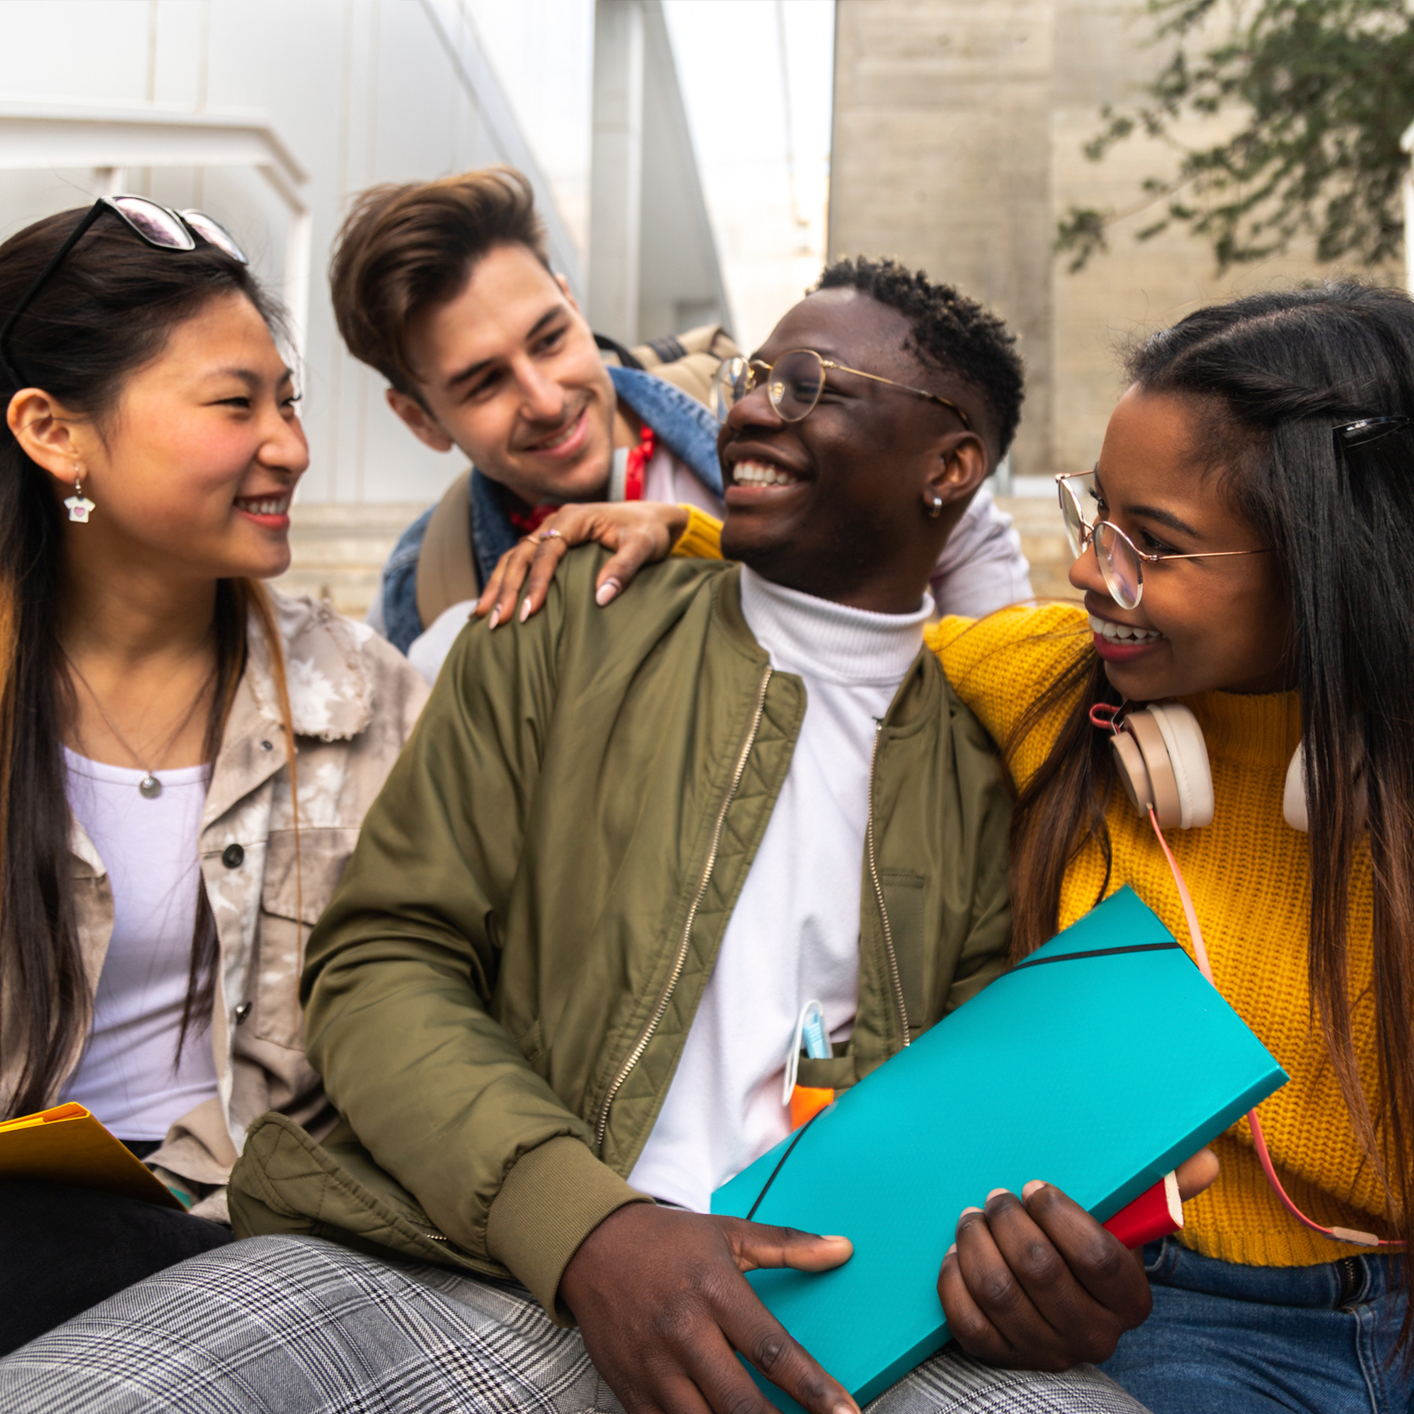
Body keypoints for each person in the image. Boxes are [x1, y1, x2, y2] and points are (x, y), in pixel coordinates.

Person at [0, 260, 1165, 1413]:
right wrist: (591, 1225)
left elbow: (970, 1131)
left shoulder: (983, 762)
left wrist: (1032, 1284)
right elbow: (377, 962)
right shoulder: (556, 615)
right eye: (753, 376)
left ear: (949, 464)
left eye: (812, 386)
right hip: (474, 1266)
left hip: (824, 1322)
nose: (750, 408)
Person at [514, 282, 1414, 1414]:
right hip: (1177, 1312)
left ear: (1329, 562)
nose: (1091, 571)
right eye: (1095, 518)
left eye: (1154, 547)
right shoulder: (1047, 681)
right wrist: (682, 532)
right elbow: (864, 611)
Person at [0, 197, 428, 1355]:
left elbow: (437, 1015)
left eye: (285, 400)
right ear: (54, 432)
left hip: (258, 1240)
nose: (286, 443)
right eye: (235, 404)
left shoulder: (363, 697)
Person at [327, 167, 1033, 668]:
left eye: (549, 339)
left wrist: (989, 714)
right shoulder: (427, 585)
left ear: (572, 302)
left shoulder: (756, 419)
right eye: (484, 384)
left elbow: (962, 526)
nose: (544, 398)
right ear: (420, 420)